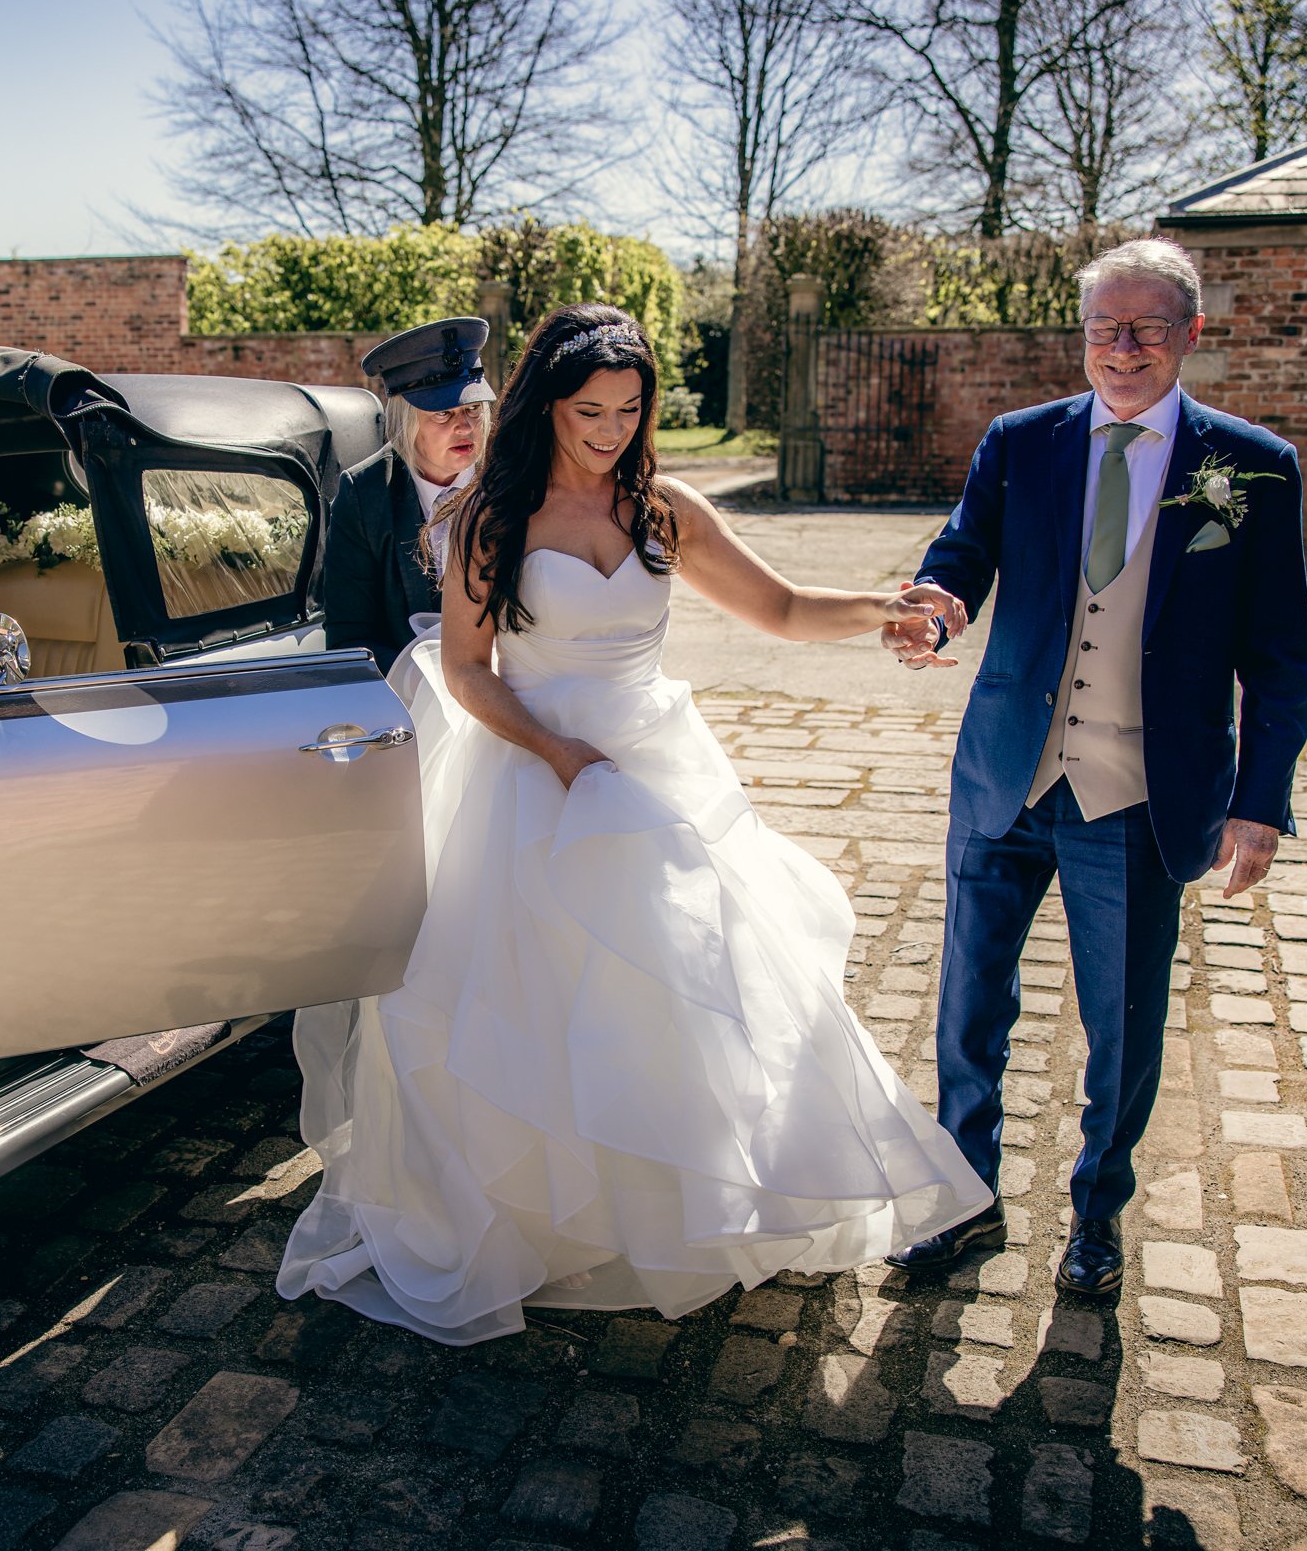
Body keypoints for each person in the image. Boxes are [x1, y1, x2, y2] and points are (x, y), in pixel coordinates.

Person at [276, 304, 992, 1345]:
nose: (610, 430)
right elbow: (469, 672)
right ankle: (537, 1221)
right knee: (527, 1008)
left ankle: (671, 1205)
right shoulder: (493, 517)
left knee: (684, 990)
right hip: (532, 774)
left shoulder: (668, 509)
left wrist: (881, 608)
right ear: (546, 407)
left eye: (629, 408)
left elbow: (782, 608)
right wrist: (563, 756)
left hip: (653, 773)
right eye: (588, 411)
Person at [882, 237, 1307, 1295]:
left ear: (1190, 334)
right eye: (1103, 328)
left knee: (1123, 1024)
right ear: (1081, 336)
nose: (1122, 348)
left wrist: (1259, 802)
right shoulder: (1020, 442)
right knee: (969, 1005)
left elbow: (1280, 652)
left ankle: (1096, 1214)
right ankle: (966, 1197)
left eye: (1147, 328)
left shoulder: (1251, 466)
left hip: (1137, 797)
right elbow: (962, 554)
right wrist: (937, 605)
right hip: (1005, 781)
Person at [321, 316, 495, 670]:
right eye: (444, 413)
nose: (464, 426)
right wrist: (432, 684)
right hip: (411, 703)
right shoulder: (364, 495)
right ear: (406, 419)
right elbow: (349, 640)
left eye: (473, 409)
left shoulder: (512, 479)